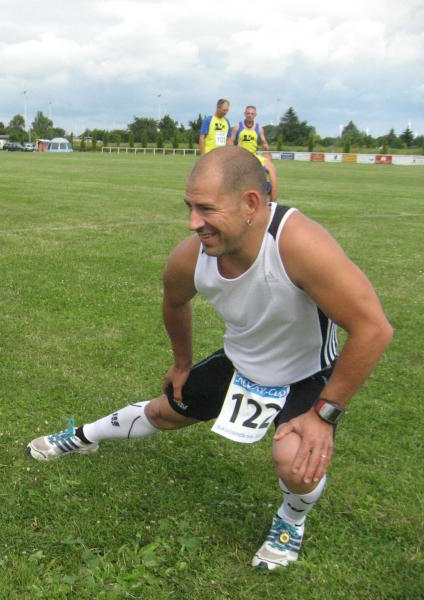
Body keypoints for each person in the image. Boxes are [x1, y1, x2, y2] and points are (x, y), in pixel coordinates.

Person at [27, 146, 392, 571]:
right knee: (163, 413)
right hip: (241, 362)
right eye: (189, 207)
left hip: (307, 372)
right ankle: (84, 437)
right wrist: (182, 363)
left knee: (295, 461)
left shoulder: (299, 244)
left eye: (206, 209)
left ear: (250, 204)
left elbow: (374, 328)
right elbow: (174, 302)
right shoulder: (191, 256)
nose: (193, 222)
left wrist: (324, 415)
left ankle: (291, 520)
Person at [229, 105, 278, 200]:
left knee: (269, 165)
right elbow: (231, 141)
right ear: (245, 114)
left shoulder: (259, 128)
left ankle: (271, 197)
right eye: (248, 113)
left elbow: (264, 141)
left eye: (252, 113)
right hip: (241, 156)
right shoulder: (237, 126)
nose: (250, 115)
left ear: (255, 115)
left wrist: (265, 145)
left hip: (253, 156)